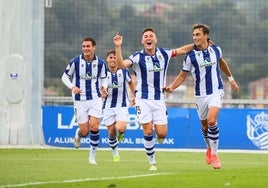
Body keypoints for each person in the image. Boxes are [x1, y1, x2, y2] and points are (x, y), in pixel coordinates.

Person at [113, 28, 194, 171]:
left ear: (155, 40)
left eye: (151, 36)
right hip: (142, 99)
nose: (148, 38)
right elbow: (120, 65)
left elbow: (181, 50)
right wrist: (118, 47)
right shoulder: (138, 57)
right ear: (142, 41)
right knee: (148, 131)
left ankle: (159, 138)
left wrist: (199, 44)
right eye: (146, 36)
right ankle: (152, 162)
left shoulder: (164, 54)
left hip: (159, 100)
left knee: (162, 134)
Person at [164, 23, 239, 169]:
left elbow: (222, 62)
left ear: (206, 35)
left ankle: (215, 154)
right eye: (193, 35)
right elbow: (182, 75)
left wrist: (231, 79)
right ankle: (209, 148)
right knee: (204, 126)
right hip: (200, 95)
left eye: (198, 34)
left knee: (211, 121)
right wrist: (172, 87)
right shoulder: (190, 56)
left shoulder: (216, 50)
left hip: (216, 91)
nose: (195, 37)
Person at [61, 37, 108, 165]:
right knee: (85, 131)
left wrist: (105, 87)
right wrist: (72, 87)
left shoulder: (101, 63)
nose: (86, 48)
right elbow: (64, 77)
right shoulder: (75, 62)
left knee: (94, 126)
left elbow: (104, 79)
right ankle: (79, 133)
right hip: (79, 100)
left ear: (94, 47)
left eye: (88, 46)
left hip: (95, 98)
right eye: (84, 46)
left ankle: (92, 157)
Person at [102, 50, 135, 162]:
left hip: (122, 105)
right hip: (107, 106)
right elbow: (101, 86)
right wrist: (103, 91)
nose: (113, 60)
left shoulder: (124, 71)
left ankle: (121, 134)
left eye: (115, 57)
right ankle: (115, 153)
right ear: (107, 59)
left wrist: (134, 95)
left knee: (120, 128)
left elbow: (130, 82)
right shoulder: (102, 73)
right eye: (111, 57)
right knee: (111, 132)